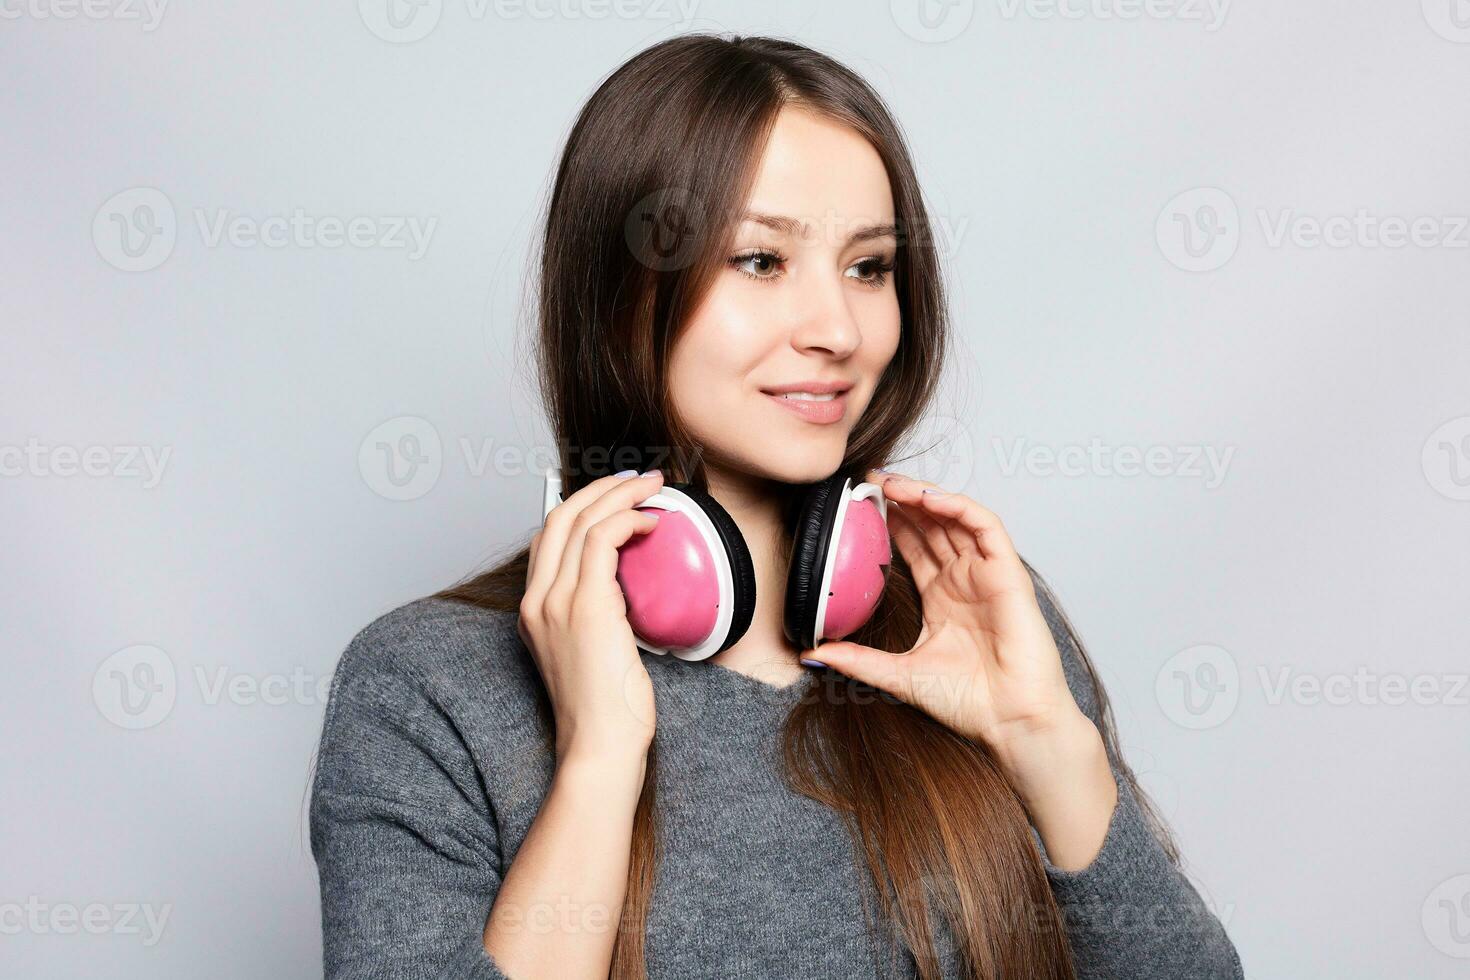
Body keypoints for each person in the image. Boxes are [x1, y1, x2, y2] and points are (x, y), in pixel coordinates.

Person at [309, 32, 1243, 980]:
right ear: (625, 291)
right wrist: (597, 762)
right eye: (760, 261)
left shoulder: (965, 618)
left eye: (869, 267)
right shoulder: (429, 688)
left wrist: (1045, 742)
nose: (838, 330)